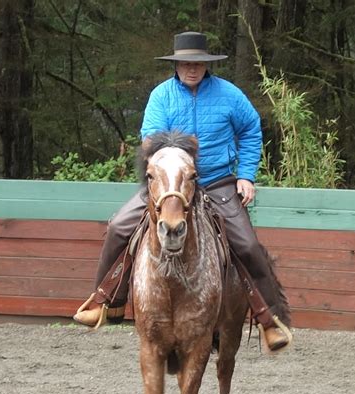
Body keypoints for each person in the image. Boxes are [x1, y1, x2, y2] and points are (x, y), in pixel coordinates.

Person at [74, 31, 291, 352]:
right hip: (171, 184)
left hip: (216, 181)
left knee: (246, 244)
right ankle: (106, 301)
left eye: (198, 63)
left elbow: (250, 129)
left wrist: (245, 175)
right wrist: (167, 174)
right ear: (175, 65)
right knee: (120, 226)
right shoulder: (161, 96)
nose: (192, 69)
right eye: (185, 63)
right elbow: (152, 138)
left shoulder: (230, 95)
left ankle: (269, 320)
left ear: (207, 65)